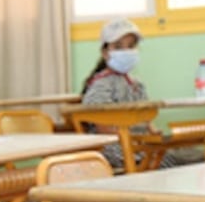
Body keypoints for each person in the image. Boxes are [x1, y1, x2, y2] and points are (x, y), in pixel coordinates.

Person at [80, 18, 191, 169]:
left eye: (131, 46)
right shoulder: (101, 84)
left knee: (191, 155)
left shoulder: (137, 85)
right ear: (105, 53)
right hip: (115, 146)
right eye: (118, 47)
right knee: (168, 162)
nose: (126, 52)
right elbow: (103, 126)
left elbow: (147, 118)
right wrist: (135, 138)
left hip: (139, 144)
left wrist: (152, 132)